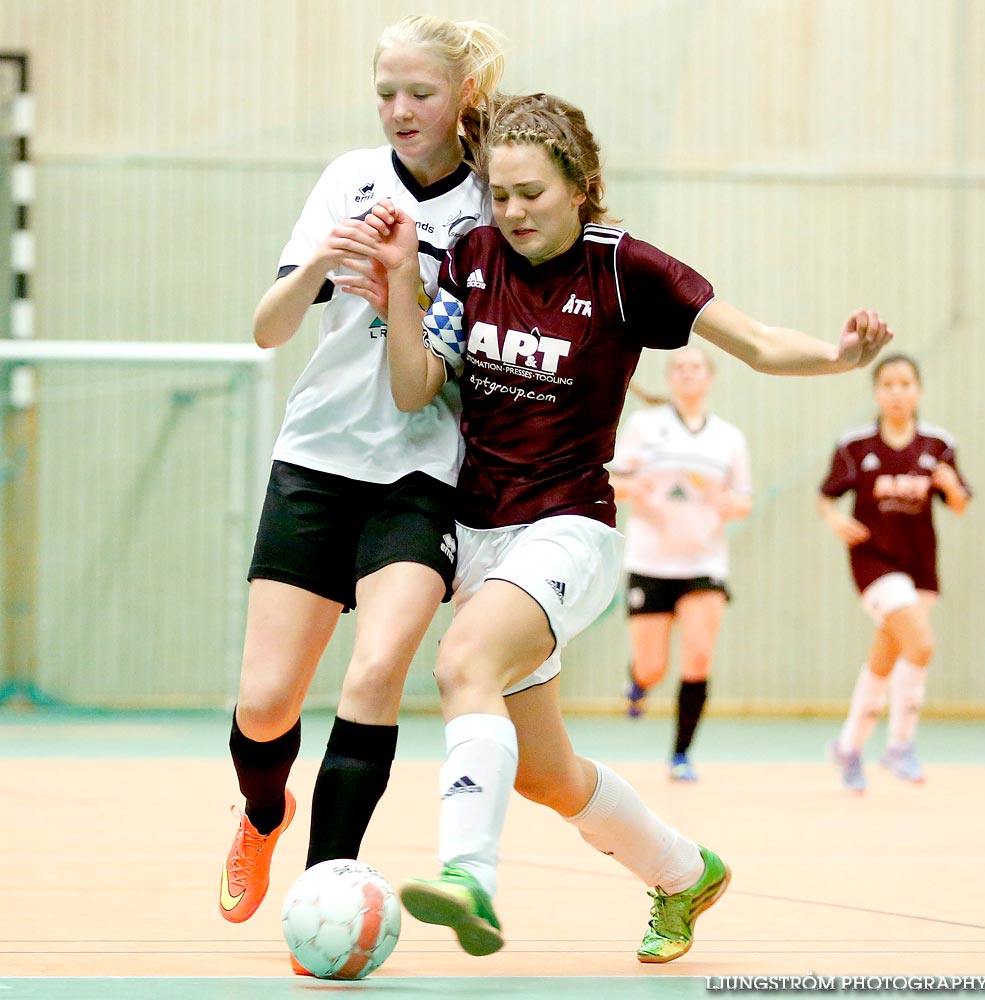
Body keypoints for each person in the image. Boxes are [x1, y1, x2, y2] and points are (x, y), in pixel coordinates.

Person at [337, 92, 893, 964]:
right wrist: (403, 287)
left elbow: (750, 340)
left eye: (532, 193)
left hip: (568, 528)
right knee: (544, 772)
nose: (513, 211)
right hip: (478, 537)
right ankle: (684, 873)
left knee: (461, 664)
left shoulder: (625, 269)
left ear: (582, 187)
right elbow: (414, 387)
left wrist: (834, 355)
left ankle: (468, 877)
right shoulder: (473, 255)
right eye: (501, 193)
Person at [218, 14, 505, 940]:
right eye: (386, 92)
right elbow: (267, 331)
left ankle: (321, 896)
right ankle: (264, 815)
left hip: (422, 477)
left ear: (463, 96)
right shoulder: (350, 178)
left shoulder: (494, 206)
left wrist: (409, 292)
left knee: (376, 674)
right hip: (316, 463)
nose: (398, 110)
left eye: (419, 92)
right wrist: (320, 268)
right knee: (265, 705)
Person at [820, 354, 969, 793]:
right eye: (888, 384)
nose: (897, 392)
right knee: (921, 645)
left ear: (918, 391)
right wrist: (833, 519)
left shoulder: (938, 445)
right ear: (876, 392)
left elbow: (959, 504)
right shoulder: (855, 446)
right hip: (874, 562)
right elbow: (826, 495)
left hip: (921, 565)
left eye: (905, 384)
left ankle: (848, 747)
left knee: (884, 659)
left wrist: (950, 486)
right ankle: (900, 746)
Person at [610, 346, 752, 781]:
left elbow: (743, 498)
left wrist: (734, 504)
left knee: (698, 656)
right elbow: (611, 481)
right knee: (653, 665)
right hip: (650, 560)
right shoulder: (644, 427)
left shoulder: (728, 438)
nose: (688, 373)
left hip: (704, 563)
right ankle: (638, 682)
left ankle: (681, 754)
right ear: (671, 378)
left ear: (710, 377)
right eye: (680, 367)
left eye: (696, 367)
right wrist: (632, 486)